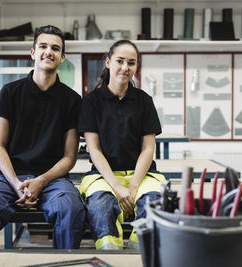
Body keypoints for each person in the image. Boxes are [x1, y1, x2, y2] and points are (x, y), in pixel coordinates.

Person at [0, 25, 86, 249]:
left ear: (62, 57)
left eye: (55, 48)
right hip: (8, 177)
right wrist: (16, 184)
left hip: (52, 180)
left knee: (70, 210)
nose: (48, 52)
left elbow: (69, 156)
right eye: (42, 46)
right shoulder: (9, 92)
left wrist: (41, 182)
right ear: (33, 52)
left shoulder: (72, 100)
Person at [78, 40, 166, 250]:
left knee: (153, 203)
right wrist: (117, 187)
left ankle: (140, 249)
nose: (125, 68)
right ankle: (110, 250)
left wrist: (133, 186)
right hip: (104, 176)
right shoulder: (91, 102)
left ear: (136, 67)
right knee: (102, 206)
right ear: (108, 62)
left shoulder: (144, 100)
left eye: (131, 63)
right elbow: (95, 150)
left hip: (142, 175)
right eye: (120, 61)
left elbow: (148, 148)